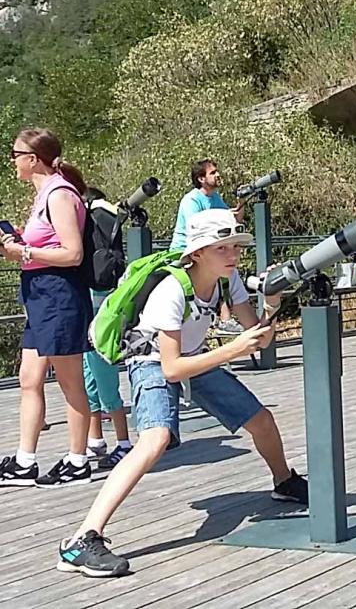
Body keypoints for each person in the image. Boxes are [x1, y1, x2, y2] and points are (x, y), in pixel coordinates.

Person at [58, 209, 307, 578]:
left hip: (195, 358)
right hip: (152, 362)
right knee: (155, 439)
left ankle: (283, 481)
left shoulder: (228, 279)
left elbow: (258, 337)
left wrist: (270, 304)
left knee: (262, 421)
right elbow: (171, 368)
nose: (233, 254)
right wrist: (233, 350)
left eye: (235, 246)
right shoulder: (171, 290)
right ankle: (82, 539)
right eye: (222, 247)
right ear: (199, 252)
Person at [0, 128, 93, 488]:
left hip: (59, 293)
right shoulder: (44, 195)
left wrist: (23, 251)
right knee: (29, 378)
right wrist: (21, 242)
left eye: (15, 154)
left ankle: (78, 458)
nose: (12, 161)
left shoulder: (58, 194)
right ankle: (25, 461)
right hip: (39, 293)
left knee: (70, 381)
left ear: (32, 159)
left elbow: (72, 254)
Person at [82, 188, 133, 470]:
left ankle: (122, 442)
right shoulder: (106, 216)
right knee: (94, 371)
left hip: (91, 303)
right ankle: (97, 438)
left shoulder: (88, 217)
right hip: (103, 298)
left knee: (98, 371)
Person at [171, 159, 244, 334]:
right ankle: (223, 319)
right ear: (201, 179)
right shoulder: (191, 200)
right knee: (220, 270)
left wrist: (242, 201)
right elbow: (195, 229)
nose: (218, 175)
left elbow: (233, 221)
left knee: (226, 269)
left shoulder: (215, 198)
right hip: (186, 251)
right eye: (213, 172)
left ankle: (225, 319)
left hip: (210, 248)